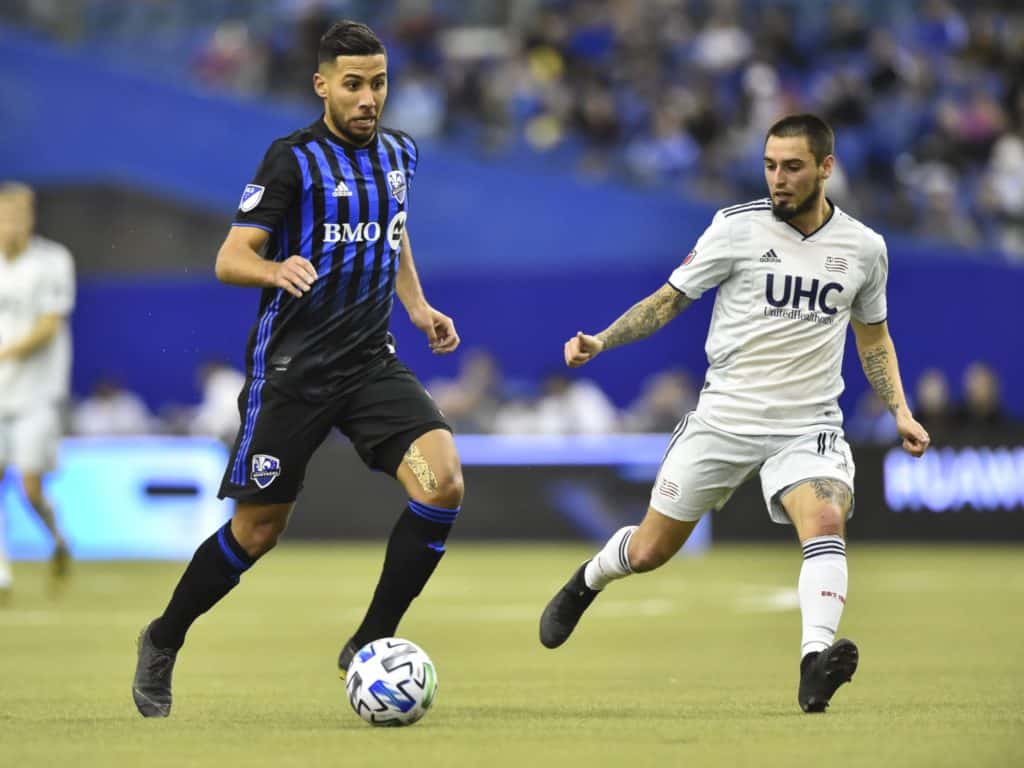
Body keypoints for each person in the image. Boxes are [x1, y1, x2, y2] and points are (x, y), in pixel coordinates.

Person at [539, 114, 931, 714]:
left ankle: (813, 665)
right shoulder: (734, 228)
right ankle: (587, 580)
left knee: (826, 520)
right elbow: (668, 301)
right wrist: (601, 341)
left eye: (793, 167)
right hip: (723, 418)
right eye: (770, 165)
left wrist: (900, 410)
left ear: (826, 168)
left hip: (808, 426)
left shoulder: (864, 249)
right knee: (648, 552)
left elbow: (873, 339)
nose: (778, 179)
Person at [132, 20, 464, 718]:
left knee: (444, 484)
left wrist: (419, 306)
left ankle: (371, 640)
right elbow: (231, 257)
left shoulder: (401, 154)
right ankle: (164, 638)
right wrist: (274, 266)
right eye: (353, 85)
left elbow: (393, 235)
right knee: (258, 531)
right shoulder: (292, 160)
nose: (368, 97)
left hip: (371, 362)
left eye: (378, 83)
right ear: (322, 87)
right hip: (294, 370)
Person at [0, 182, 75, 597]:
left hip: (37, 394)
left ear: (30, 218)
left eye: (17, 216)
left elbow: (50, 324)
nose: (9, 224)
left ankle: (58, 537)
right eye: (3, 216)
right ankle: (2, 572)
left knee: (30, 487)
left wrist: (6, 351)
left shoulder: (52, 261)